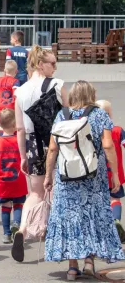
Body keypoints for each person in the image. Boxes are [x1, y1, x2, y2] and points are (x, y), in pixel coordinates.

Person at [44, 81, 125, 280]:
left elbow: (53, 149)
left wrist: (48, 175)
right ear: (91, 94)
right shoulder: (99, 115)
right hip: (93, 177)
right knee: (91, 216)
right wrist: (114, 174)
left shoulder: (61, 115)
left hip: (66, 177)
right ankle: (89, 262)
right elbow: (108, 146)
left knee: (70, 219)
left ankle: (72, 267)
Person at [11, 45, 67, 262]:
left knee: (35, 193)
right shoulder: (57, 85)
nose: (55, 67)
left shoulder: (20, 91)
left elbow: (20, 129)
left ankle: (23, 229)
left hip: (33, 143)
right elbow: (70, 117)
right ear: (40, 64)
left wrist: (23, 156)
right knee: (58, 191)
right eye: (52, 63)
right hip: (56, 143)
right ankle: (54, 237)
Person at [0, 109, 28, 244]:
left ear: (0, 125)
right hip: (18, 179)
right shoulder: (20, 140)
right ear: (14, 125)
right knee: (18, 204)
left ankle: (6, 234)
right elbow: (27, 155)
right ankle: (16, 224)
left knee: (5, 206)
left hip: (3, 180)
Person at [96, 100, 125, 241]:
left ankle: (103, 231)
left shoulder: (93, 131)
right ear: (110, 114)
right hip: (115, 174)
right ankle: (116, 221)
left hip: (98, 174)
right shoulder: (118, 131)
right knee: (115, 199)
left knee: (100, 202)